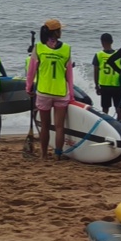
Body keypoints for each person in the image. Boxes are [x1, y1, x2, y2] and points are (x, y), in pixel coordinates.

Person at [27, 21, 75, 160]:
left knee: (45, 126)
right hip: (61, 92)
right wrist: (71, 94)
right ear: (55, 32)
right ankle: (58, 154)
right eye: (60, 29)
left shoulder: (39, 48)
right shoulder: (66, 49)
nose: (61, 31)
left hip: (43, 91)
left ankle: (43, 155)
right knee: (60, 127)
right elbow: (69, 75)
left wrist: (28, 86)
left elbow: (31, 71)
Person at [93, 33, 121, 124]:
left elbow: (96, 71)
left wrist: (96, 86)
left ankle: (105, 125)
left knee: (105, 108)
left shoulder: (99, 55)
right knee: (118, 108)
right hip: (117, 85)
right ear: (112, 42)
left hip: (105, 85)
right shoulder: (118, 55)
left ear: (102, 42)